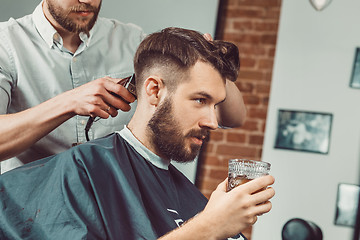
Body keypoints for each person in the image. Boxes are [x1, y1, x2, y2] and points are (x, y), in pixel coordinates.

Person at [0, 27, 274, 240]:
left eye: (216, 104)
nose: (214, 122)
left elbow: (236, 116)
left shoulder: (194, 197)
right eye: (200, 100)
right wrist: (208, 227)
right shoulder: (85, 173)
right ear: (153, 91)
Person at [0, 0, 246, 173]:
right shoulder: (6, 44)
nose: (87, 1)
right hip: (30, 208)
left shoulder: (132, 40)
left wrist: (211, 63)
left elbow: (232, 117)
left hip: (112, 203)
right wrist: (69, 103)